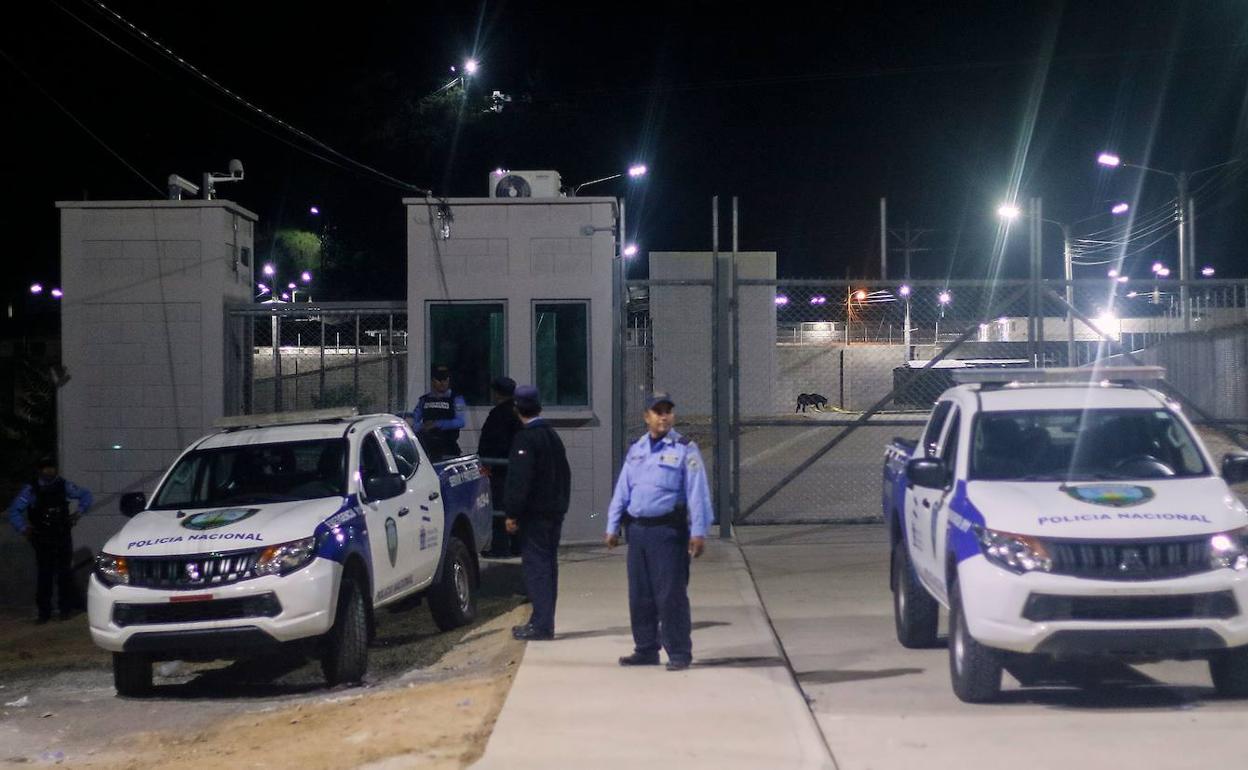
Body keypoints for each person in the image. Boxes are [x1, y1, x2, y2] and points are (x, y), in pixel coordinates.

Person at [604, 392, 713, 671]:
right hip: (638, 532)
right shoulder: (636, 449)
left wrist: (699, 531)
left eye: (667, 411)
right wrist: (612, 525)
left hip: (668, 532)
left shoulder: (684, 449)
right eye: (657, 411)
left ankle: (678, 652)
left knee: (670, 594)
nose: (663, 416)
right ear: (646, 417)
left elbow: (697, 492)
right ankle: (646, 649)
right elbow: (623, 490)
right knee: (640, 594)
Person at [505, 385, 571, 641]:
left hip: (535, 516)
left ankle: (542, 625)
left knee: (537, 568)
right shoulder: (552, 436)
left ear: (516, 409)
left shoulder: (526, 439)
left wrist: (512, 513)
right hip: (554, 512)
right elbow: (565, 474)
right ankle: (543, 620)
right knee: (548, 567)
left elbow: (519, 480)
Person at [7, 456, 94, 623]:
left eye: (52, 467)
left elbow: (86, 495)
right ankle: (44, 613)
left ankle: (65, 610)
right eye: (46, 468)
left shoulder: (63, 485)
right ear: (39, 470)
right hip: (42, 537)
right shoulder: (31, 490)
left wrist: (79, 513)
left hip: (62, 534)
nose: (50, 471)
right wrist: (24, 529)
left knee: (64, 574)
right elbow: (14, 511)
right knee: (45, 576)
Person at [478, 376, 524, 558]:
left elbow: (492, 442)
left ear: (497, 393)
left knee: (500, 508)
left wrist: (486, 461)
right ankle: (518, 545)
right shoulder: (520, 412)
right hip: (519, 469)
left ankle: (500, 547)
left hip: (502, 471)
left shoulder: (498, 414)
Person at [409, 364, 467, 461]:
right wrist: (422, 426)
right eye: (439, 379)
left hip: (448, 449)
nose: (442, 382)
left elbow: (460, 422)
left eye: (445, 379)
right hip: (427, 450)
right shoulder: (424, 400)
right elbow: (414, 420)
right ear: (432, 380)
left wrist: (437, 424)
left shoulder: (456, 399)